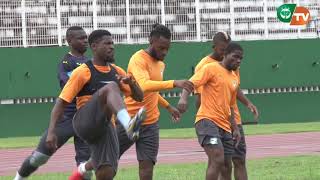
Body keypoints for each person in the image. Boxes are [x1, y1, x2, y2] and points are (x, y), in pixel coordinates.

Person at [46, 29, 146, 180]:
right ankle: (129, 125)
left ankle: (83, 170)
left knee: (107, 171)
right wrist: (51, 132)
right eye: (107, 43)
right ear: (94, 46)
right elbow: (61, 103)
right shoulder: (83, 71)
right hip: (85, 122)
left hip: (106, 126)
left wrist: (132, 84)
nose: (112, 47)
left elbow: (139, 97)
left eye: (113, 43)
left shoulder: (117, 71)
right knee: (111, 87)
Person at [14, 26, 93, 180]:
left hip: (85, 119)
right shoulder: (66, 62)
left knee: (85, 166)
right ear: (69, 41)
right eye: (81, 38)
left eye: (86, 38)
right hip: (66, 118)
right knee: (39, 157)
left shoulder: (91, 62)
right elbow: (70, 85)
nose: (85, 41)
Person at [194, 32, 259, 180]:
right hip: (211, 118)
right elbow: (197, 93)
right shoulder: (205, 66)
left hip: (232, 118)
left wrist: (247, 103)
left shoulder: (233, 65)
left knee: (238, 159)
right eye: (222, 50)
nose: (224, 53)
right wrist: (204, 120)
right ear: (214, 47)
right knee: (220, 161)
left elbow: (234, 88)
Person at [177, 42, 243, 180]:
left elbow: (229, 106)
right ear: (225, 54)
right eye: (235, 57)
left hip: (225, 126)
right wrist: (183, 99)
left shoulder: (234, 78)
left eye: (240, 58)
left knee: (226, 165)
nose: (238, 61)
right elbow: (191, 83)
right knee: (217, 158)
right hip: (207, 121)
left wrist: (235, 128)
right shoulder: (210, 68)